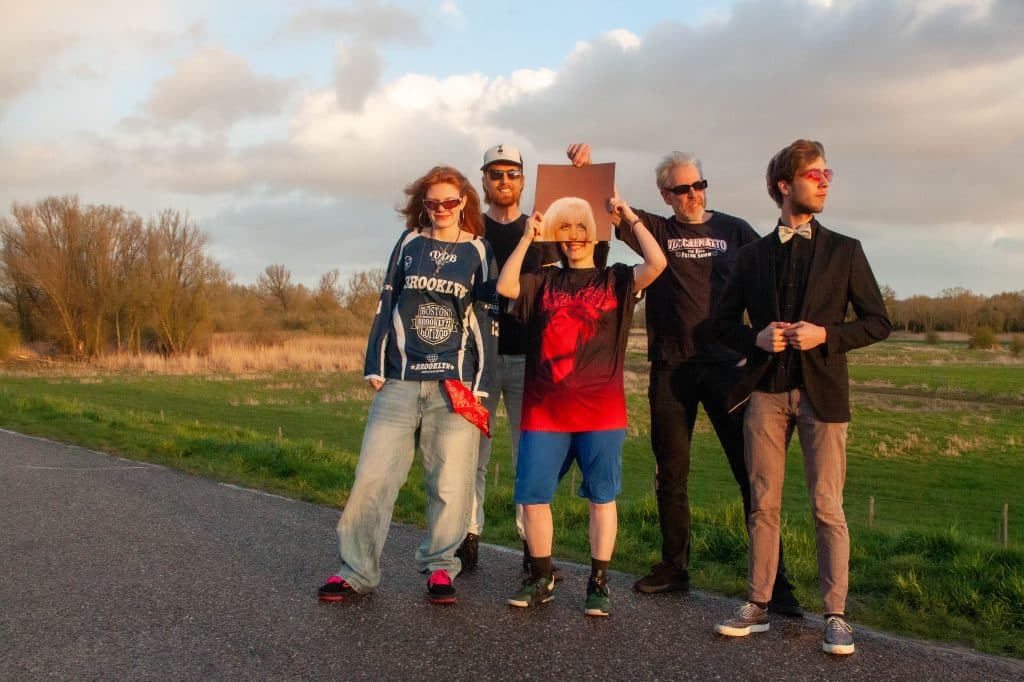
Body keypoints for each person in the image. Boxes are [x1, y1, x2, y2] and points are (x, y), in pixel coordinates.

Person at [565, 144, 800, 614]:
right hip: (671, 368)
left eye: (699, 185)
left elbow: (770, 277)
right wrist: (589, 171)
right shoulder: (658, 229)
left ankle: (774, 583)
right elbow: (616, 208)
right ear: (666, 196)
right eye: (682, 189)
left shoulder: (735, 230)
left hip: (728, 368)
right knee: (671, 473)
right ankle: (674, 567)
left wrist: (754, 344)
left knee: (750, 474)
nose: (693, 194)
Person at [712, 140, 891, 654]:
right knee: (763, 505)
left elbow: (878, 322)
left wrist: (826, 335)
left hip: (823, 395)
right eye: (815, 174)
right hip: (765, 396)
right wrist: (755, 337)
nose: (825, 182)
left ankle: (836, 616)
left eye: (827, 173)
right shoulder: (751, 256)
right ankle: (757, 605)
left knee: (827, 507)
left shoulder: (846, 251)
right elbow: (720, 324)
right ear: (784, 185)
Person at [317, 165, 497, 606]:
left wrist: (481, 385)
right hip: (400, 379)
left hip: (454, 383)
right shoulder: (409, 243)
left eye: (449, 202)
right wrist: (374, 362)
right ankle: (356, 571)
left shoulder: (479, 250)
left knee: (450, 483)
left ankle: (440, 568)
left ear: (463, 202)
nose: (441, 210)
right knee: (372, 477)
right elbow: (387, 302)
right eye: (432, 203)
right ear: (423, 205)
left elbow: (487, 321)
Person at [497, 195, 666, 616]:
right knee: (533, 496)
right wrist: (527, 237)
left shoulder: (617, 279)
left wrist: (630, 219)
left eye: (581, 227)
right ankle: (541, 578)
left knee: (602, 497)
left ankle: (599, 583)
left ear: (594, 231)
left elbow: (657, 263)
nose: (573, 236)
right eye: (565, 227)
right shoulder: (543, 280)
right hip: (545, 411)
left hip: (600, 412)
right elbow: (505, 287)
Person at [456, 144, 564, 578]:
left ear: (523, 179)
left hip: (526, 359)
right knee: (472, 457)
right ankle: (467, 539)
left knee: (528, 459)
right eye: (495, 173)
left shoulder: (539, 230)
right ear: (483, 179)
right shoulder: (470, 231)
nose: (504, 181)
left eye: (512, 173)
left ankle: (531, 548)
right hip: (478, 361)